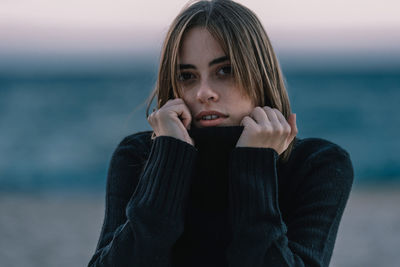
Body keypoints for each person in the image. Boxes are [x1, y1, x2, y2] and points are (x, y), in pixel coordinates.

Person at [88, 0, 353, 266]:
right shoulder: (138, 155)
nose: (204, 93)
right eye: (187, 76)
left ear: (259, 73)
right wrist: (168, 160)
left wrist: (254, 164)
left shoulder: (317, 163)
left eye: (225, 71)